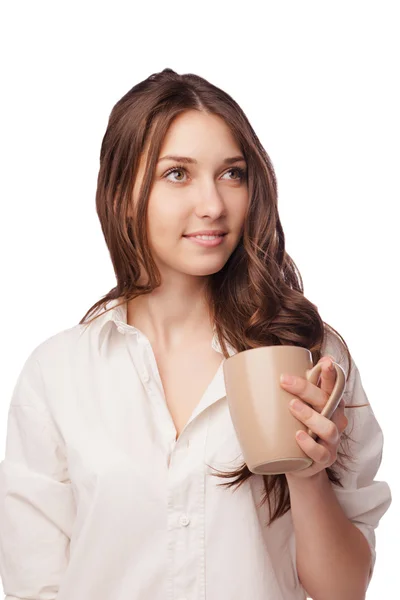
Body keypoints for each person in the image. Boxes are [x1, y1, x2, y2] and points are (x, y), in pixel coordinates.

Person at [0, 68, 392, 600]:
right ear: (121, 192)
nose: (213, 204)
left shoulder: (308, 355)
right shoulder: (58, 373)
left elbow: (343, 591)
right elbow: (34, 584)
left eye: (232, 173)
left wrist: (306, 474)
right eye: (177, 174)